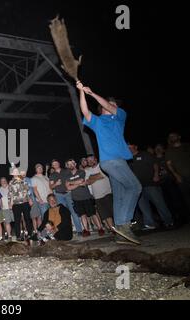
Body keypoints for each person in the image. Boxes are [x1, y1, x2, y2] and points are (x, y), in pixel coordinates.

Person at [77, 81, 142, 245]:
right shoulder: (98, 122)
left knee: (119, 195)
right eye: (111, 103)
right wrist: (81, 92)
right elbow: (85, 111)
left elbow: (108, 105)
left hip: (115, 162)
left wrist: (92, 93)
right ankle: (125, 225)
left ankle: (120, 231)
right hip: (111, 162)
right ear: (101, 108)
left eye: (113, 104)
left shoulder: (119, 117)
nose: (113, 105)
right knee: (135, 187)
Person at [128, 144, 174, 229]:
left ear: (136, 147)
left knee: (159, 203)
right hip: (138, 187)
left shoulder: (144, 154)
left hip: (150, 183)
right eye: (127, 148)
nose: (129, 149)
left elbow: (155, 164)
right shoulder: (129, 159)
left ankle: (168, 221)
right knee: (143, 206)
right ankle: (150, 223)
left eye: (130, 147)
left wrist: (156, 174)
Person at [165, 132, 190, 224]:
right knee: (189, 199)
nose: (172, 137)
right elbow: (169, 164)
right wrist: (176, 175)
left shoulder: (189, 146)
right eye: (170, 136)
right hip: (182, 178)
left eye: (174, 135)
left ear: (179, 136)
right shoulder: (169, 150)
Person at [65, 159, 105, 237]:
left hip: (86, 196)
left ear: (75, 164)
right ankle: (86, 230)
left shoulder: (81, 172)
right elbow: (68, 188)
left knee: (92, 213)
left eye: (72, 164)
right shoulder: (67, 176)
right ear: (67, 166)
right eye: (69, 164)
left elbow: (82, 181)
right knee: (82, 215)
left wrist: (71, 183)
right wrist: (77, 183)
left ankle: (100, 228)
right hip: (76, 199)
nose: (70, 165)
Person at [49, 159, 83, 235]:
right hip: (59, 195)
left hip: (68, 194)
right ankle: (67, 231)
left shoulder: (67, 171)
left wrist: (71, 186)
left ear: (59, 163)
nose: (55, 164)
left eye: (56, 163)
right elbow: (51, 186)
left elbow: (73, 178)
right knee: (63, 214)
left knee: (74, 212)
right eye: (54, 164)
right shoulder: (52, 175)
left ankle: (79, 230)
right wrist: (56, 184)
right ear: (52, 166)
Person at [85, 155, 115, 232]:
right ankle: (113, 230)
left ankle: (122, 227)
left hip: (108, 193)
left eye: (91, 159)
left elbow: (102, 175)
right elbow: (87, 182)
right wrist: (96, 176)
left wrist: (92, 177)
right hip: (97, 196)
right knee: (105, 214)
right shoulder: (88, 170)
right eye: (88, 161)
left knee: (114, 212)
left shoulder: (102, 166)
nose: (90, 162)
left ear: (95, 159)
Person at [8, 167, 33, 241]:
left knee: (27, 219)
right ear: (12, 173)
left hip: (25, 202)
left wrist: (30, 199)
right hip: (16, 204)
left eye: (17, 171)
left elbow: (27, 190)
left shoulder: (23, 180)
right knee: (17, 220)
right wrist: (10, 203)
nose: (16, 172)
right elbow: (10, 193)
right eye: (14, 171)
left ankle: (29, 234)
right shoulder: (11, 182)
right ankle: (18, 236)